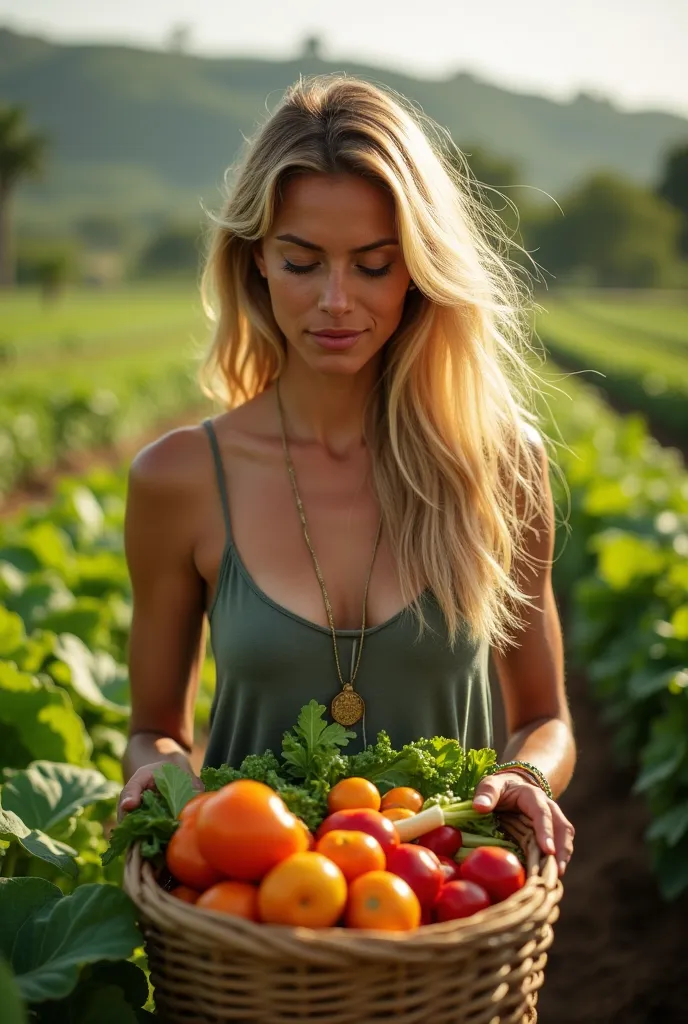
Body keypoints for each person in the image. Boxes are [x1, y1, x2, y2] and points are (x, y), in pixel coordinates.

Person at [118, 75, 575, 876]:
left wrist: (527, 773)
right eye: (302, 261)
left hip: (442, 912)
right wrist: (159, 768)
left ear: (420, 272)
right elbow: (152, 727)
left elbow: (544, 716)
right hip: (246, 914)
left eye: (372, 266)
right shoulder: (180, 478)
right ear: (257, 258)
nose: (335, 301)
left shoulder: (500, 466)